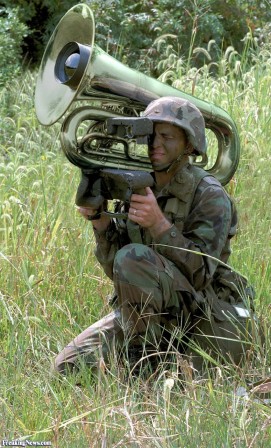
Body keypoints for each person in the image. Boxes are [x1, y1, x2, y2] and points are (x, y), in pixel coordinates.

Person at [54, 96, 255, 376]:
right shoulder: (136, 184)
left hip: (199, 313)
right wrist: (100, 224)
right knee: (66, 368)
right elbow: (121, 271)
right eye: (150, 134)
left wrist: (159, 225)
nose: (155, 144)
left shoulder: (209, 194)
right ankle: (144, 357)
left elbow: (201, 275)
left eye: (167, 136)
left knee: (171, 381)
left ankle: (143, 369)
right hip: (145, 315)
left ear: (189, 144)